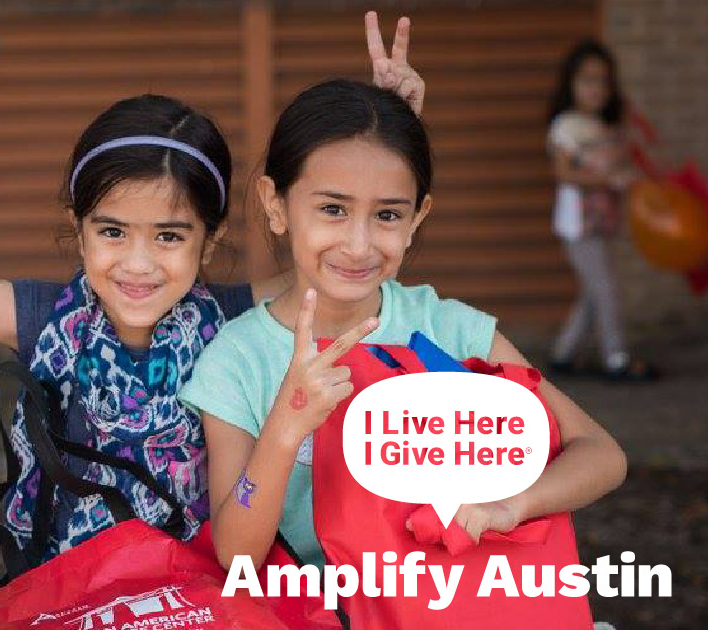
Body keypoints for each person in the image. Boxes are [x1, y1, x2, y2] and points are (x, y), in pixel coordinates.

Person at [0, 12, 424, 562]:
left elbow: (339, 264)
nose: (138, 264)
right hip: (63, 596)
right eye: (113, 233)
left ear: (210, 240)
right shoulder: (44, 318)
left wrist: (381, 147)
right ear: (79, 233)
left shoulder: (235, 323)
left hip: (200, 596)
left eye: (169, 236)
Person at [178, 79, 628, 569]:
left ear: (417, 218)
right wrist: (287, 425)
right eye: (333, 209)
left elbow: (601, 453)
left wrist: (508, 507)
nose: (359, 243)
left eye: (388, 214)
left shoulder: (449, 331)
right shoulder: (237, 358)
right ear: (276, 204)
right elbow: (236, 554)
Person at [546, 40, 657, 380]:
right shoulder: (566, 126)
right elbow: (564, 172)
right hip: (578, 223)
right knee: (605, 288)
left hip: (604, 220)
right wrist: (606, 179)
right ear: (571, 84)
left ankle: (564, 354)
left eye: (603, 81)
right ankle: (616, 358)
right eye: (587, 80)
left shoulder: (605, 127)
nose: (596, 89)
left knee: (595, 291)